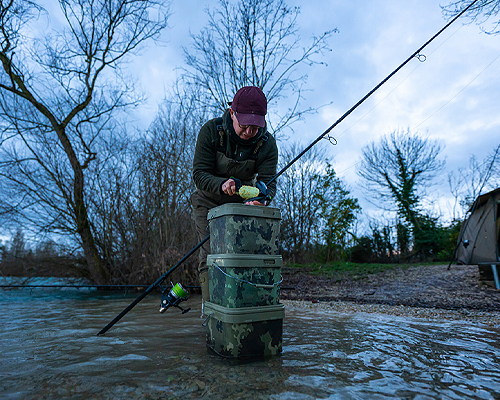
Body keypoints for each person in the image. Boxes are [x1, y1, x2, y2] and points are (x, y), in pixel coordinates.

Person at [191, 86, 278, 301]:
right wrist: (221, 184)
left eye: (255, 127)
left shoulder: (267, 145)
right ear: (232, 113)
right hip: (208, 201)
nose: (249, 132)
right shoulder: (211, 131)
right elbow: (199, 174)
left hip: (242, 204)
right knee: (211, 253)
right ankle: (211, 309)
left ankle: (241, 304)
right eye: (244, 126)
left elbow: (269, 183)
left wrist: (261, 200)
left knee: (244, 252)